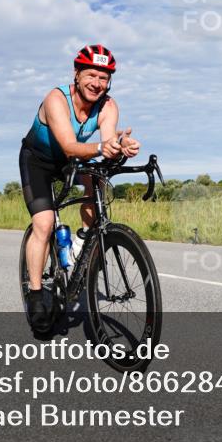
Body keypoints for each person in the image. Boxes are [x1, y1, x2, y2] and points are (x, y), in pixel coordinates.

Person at [19, 44, 141, 331]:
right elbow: (69, 145)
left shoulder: (108, 105)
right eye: (91, 75)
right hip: (38, 161)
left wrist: (119, 146)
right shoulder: (56, 98)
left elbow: (107, 142)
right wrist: (100, 146)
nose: (97, 84)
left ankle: (81, 241)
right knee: (45, 223)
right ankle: (36, 294)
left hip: (73, 160)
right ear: (77, 74)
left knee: (97, 178)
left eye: (103, 78)